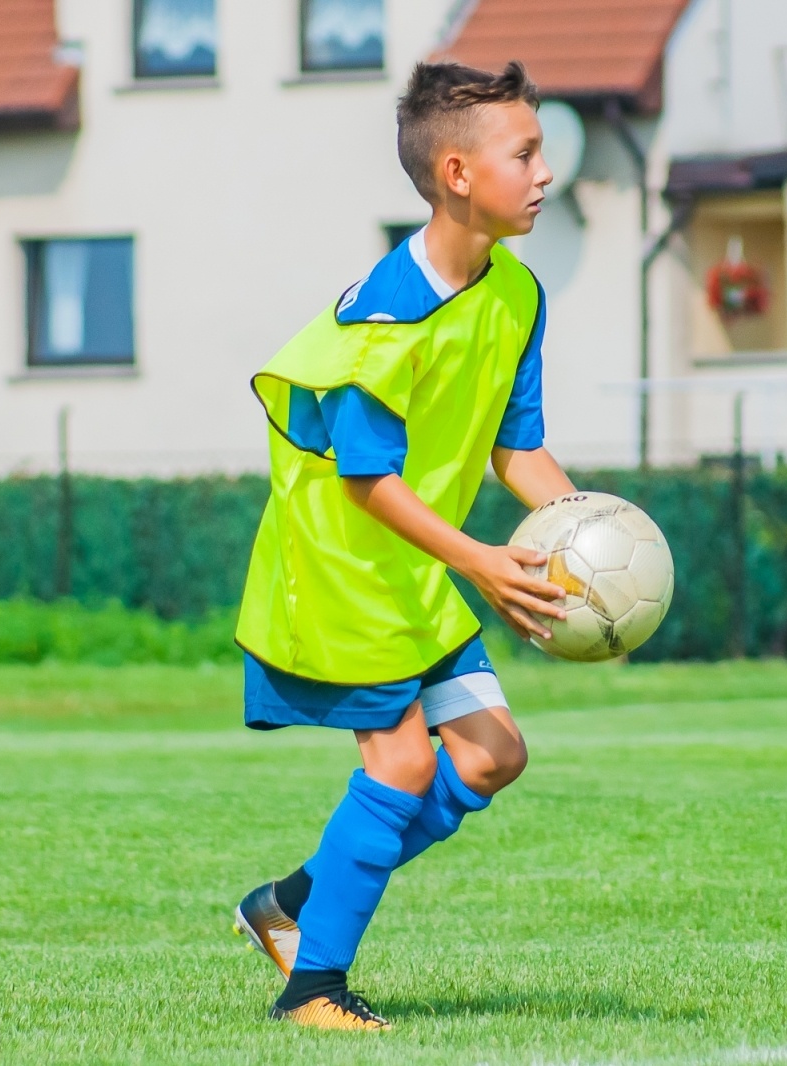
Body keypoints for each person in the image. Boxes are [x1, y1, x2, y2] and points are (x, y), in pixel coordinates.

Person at [230, 60, 574, 1032]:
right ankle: (312, 989)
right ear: (458, 174)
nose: (546, 172)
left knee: (494, 752)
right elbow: (363, 479)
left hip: (417, 568)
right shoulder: (387, 318)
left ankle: (294, 903)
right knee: (405, 763)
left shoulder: (515, 295)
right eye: (527, 153)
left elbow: (518, 449)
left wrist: (586, 539)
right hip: (340, 571)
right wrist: (480, 559)